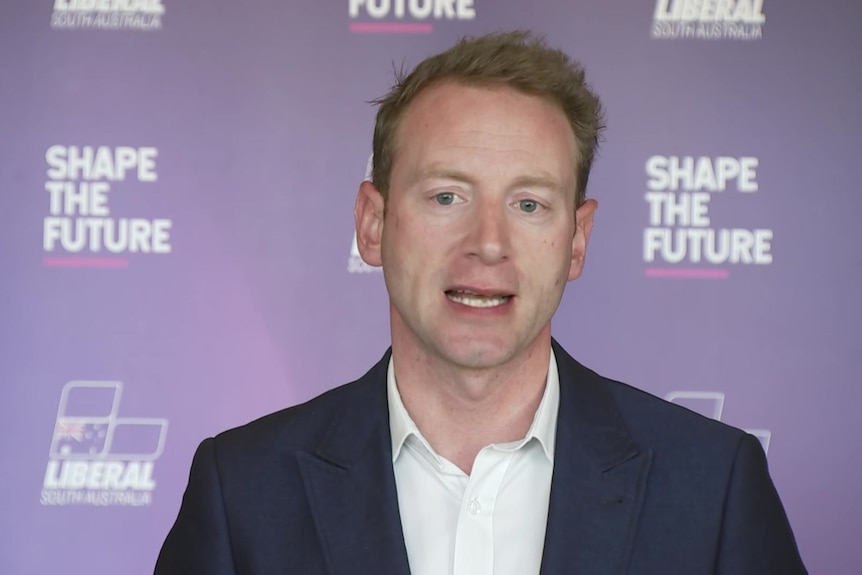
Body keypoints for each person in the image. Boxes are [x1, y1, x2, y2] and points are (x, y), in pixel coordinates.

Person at [155, 31, 807, 574]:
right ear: (373, 223)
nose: (488, 243)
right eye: (447, 196)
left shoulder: (712, 486)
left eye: (528, 204)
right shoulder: (240, 491)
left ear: (576, 241)